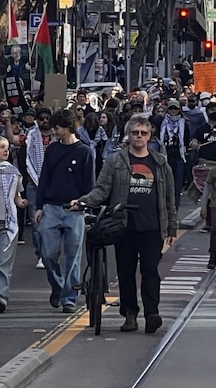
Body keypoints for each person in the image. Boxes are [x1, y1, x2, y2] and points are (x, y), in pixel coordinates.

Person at [76, 116, 178, 333]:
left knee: (151, 271)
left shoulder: (160, 162)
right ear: (128, 135)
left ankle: (152, 313)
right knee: (125, 272)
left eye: (143, 133)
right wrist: (83, 201)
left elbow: (169, 197)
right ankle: (130, 313)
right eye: (135, 133)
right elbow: (102, 189)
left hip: (152, 227)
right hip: (123, 225)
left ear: (150, 136)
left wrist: (171, 227)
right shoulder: (115, 161)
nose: (139, 136)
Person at [34, 109, 96, 313]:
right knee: (47, 253)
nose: (54, 131)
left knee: (73, 256)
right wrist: (39, 206)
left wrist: (86, 206)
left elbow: (90, 184)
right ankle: (59, 286)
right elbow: (44, 178)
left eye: (57, 127)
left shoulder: (85, 151)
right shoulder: (52, 149)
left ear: (68, 128)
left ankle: (69, 297)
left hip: (74, 209)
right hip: (51, 207)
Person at [0, 136, 27, 313]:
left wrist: (20, 202)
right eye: (2, 147)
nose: (6, 150)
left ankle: (1, 297)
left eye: (7, 147)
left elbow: (16, 195)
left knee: (4, 261)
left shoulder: (13, 172)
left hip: (7, 222)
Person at [25, 108, 53, 270]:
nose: (44, 121)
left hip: (52, 186)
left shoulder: (58, 138)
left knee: (50, 222)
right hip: (33, 185)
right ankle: (40, 253)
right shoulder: (31, 136)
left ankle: (48, 253)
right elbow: (27, 160)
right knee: (36, 223)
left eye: (47, 118)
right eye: (41, 118)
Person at [159, 99, 190, 209]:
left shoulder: (184, 123)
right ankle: (164, 209)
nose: (173, 110)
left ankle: (174, 209)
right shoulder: (162, 122)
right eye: (171, 108)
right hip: (165, 155)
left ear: (179, 110)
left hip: (179, 156)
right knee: (164, 184)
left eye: (175, 108)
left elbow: (186, 139)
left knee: (177, 185)